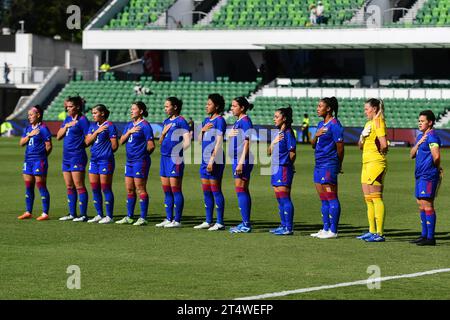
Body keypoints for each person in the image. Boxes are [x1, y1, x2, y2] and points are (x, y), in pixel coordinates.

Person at [116, 102, 155, 226]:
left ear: (141, 111)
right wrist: (129, 132)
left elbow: (151, 145)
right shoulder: (129, 125)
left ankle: (143, 218)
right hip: (130, 162)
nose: (131, 111)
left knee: (140, 188)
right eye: (131, 108)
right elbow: (121, 141)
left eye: (134, 109)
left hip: (140, 161)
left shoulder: (145, 126)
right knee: (129, 189)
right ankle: (129, 216)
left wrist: (142, 156)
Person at [310, 97, 344, 239]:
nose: (317, 108)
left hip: (328, 164)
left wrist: (338, 164)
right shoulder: (320, 124)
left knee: (331, 197)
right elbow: (312, 144)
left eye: (320, 106)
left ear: (328, 108)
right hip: (318, 164)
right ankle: (325, 228)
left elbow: (340, 148)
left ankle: (333, 230)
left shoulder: (335, 125)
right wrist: (315, 135)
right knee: (323, 198)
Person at [155, 97, 191, 228]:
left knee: (175, 189)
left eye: (167, 106)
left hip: (174, 159)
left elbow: (187, 141)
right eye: (164, 106)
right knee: (166, 190)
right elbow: (160, 142)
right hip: (164, 158)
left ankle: (177, 220)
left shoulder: (181, 121)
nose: (165, 109)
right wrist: (163, 134)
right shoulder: (166, 121)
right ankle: (168, 218)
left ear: (175, 107)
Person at [194, 94, 227, 231]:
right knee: (206, 190)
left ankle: (219, 222)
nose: (206, 106)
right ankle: (208, 221)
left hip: (215, 158)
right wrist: (202, 130)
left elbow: (219, 142)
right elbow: (199, 141)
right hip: (204, 159)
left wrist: (212, 160)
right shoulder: (206, 120)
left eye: (209, 104)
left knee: (215, 190)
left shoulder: (220, 120)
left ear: (217, 106)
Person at [357, 98, 388, 242]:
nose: (365, 112)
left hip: (375, 162)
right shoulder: (369, 123)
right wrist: (362, 136)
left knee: (376, 198)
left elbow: (384, 145)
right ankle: (372, 230)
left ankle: (379, 233)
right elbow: (360, 146)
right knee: (368, 199)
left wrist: (379, 153)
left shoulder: (378, 122)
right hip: (366, 162)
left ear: (374, 109)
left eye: (366, 109)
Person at [409, 110, 442, 246]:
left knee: (427, 205)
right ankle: (424, 235)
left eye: (422, 121)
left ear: (430, 122)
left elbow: (437, 156)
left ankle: (430, 237)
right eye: (419, 121)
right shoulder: (420, 137)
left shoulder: (432, 137)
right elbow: (411, 154)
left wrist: (436, 169)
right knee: (421, 204)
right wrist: (418, 143)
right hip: (419, 175)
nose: (420, 123)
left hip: (428, 175)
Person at [57, 96, 90, 222]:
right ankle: (72, 213)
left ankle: (83, 214)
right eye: (67, 106)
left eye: (70, 106)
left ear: (77, 107)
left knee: (79, 185)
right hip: (66, 157)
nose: (68, 108)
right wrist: (67, 126)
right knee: (69, 186)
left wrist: (80, 145)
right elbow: (59, 136)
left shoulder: (83, 120)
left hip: (77, 156)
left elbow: (88, 138)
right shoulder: (67, 119)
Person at [85, 104, 118, 224]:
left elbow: (115, 145)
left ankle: (109, 216)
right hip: (94, 161)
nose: (93, 115)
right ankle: (99, 214)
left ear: (102, 113)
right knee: (95, 188)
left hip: (105, 161)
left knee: (105, 188)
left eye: (95, 113)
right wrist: (96, 132)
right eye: (92, 113)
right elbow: (87, 142)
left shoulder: (109, 126)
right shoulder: (93, 126)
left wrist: (106, 152)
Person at [18, 106, 52, 221]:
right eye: (28, 115)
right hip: (28, 161)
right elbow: (21, 143)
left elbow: (49, 146)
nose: (29, 117)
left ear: (38, 115)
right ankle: (28, 211)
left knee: (41, 186)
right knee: (28, 187)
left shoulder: (43, 129)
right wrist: (29, 135)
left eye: (31, 115)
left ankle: (45, 213)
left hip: (39, 161)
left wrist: (42, 158)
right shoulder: (28, 128)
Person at [268, 107, 297, 235]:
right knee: (279, 198)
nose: (274, 119)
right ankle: (283, 225)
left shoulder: (288, 133)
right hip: (275, 168)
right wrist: (273, 143)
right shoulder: (277, 133)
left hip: (283, 168)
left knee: (285, 198)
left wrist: (288, 165)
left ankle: (288, 227)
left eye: (276, 116)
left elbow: (292, 153)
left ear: (284, 118)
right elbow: (268, 152)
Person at [228, 97, 254, 233]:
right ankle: (245, 222)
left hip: (242, 160)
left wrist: (241, 162)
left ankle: (246, 224)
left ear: (242, 107)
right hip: (237, 159)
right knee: (241, 190)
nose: (232, 108)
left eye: (234, 106)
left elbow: (247, 143)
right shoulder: (238, 122)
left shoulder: (246, 122)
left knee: (241, 189)